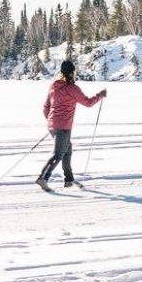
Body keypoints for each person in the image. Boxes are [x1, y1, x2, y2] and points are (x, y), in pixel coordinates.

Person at [38, 59, 105, 191]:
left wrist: (52, 122)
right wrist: (100, 95)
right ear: (71, 73)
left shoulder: (53, 86)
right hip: (63, 128)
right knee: (58, 154)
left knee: (67, 151)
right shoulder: (72, 88)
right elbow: (88, 103)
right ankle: (43, 178)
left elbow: (46, 108)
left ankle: (69, 180)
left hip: (54, 126)